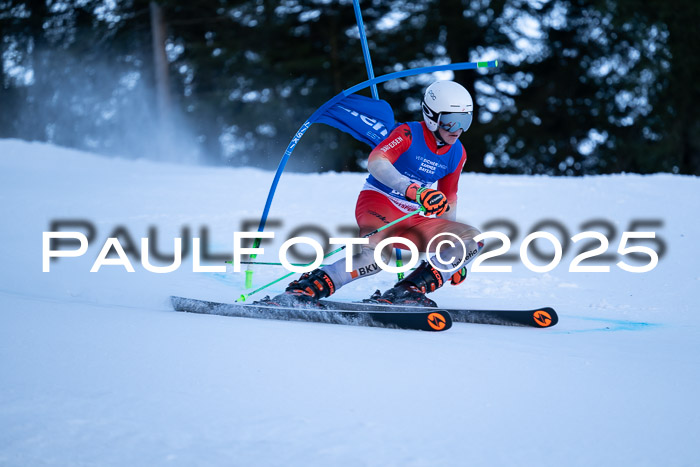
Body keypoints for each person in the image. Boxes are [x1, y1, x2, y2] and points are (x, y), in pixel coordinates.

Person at [280, 80, 483, 307]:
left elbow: (449, 201)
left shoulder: (457, 152)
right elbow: (377, 162)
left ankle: (407, 291)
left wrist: (453, 256)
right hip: (379, 203)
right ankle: (304, 290)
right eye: (450, 122)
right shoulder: (407, 133)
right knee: (375, 259)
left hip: (412, 219)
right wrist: (414, 191)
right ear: (431, 116)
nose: (457, 130)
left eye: (465, 121)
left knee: (472, 239)